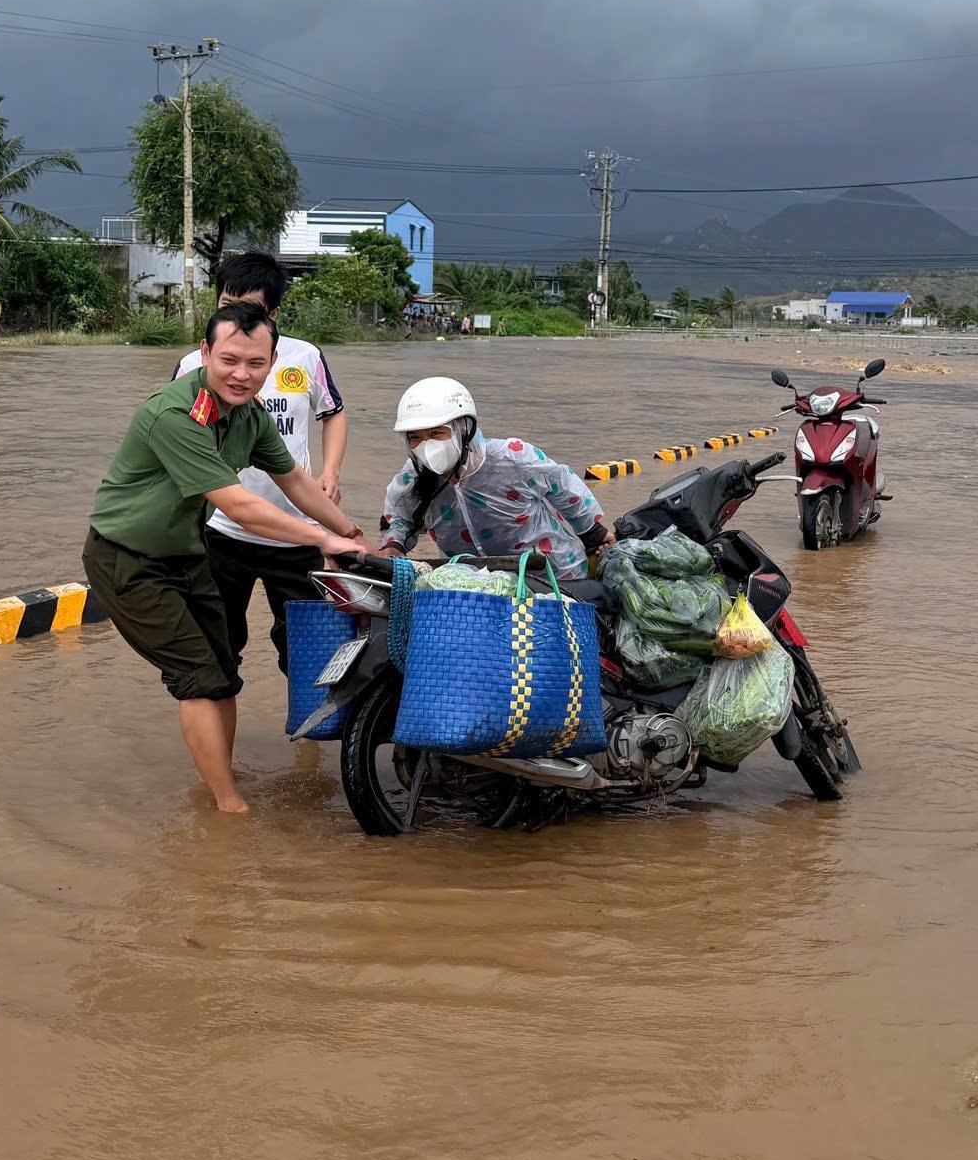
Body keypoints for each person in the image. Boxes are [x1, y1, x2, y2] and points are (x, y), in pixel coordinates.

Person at [85, 303, 365, 814]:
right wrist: (321, 540)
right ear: (205, 354)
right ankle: (228, 806)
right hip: (127, 560)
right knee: (198, 676)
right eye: (229, 360)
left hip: (185, 554)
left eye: (256, 364)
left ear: (273, 361)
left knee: (222, 672)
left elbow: (296, 480)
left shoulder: (249, 416)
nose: (242, 375)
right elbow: (238, 504)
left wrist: (350, 532)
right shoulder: (175, 415)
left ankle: (218, 778)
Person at [173, 252, 347, 676]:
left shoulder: (304, 358)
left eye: (248, 309)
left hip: (296, 533)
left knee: (306, 653)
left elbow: (333, 412)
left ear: (273, 314)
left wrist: (330, 474)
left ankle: (309, 741)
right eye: (226, 307)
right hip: (221, 531)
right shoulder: (193, 367)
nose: (236, 321)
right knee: (216, 650)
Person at [378, 375, 611, 581]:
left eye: (436, 433)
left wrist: (593, 534)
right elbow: (402, 517)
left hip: (549, 575)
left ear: (463, 429)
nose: (426, 446)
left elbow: (564, 487)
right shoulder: (413, 477)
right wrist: (394, 544)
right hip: (473, 582)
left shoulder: (513, 458)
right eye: (416, 437)